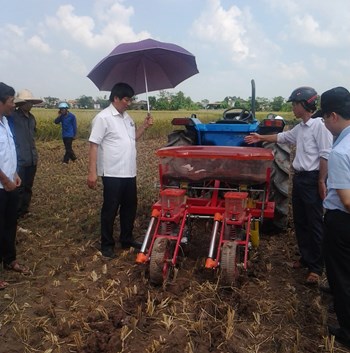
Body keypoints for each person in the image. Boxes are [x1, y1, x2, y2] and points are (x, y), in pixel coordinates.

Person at [245, 86, 333, 284]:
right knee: (301, 221)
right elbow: (282, 137)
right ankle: (305, 258)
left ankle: (316, 268)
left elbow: (326, 154)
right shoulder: (301, 127)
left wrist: (321, 180)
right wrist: (260, 137)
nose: (293, 108)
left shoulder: (319, 126)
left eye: (295, 104)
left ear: (304, 105)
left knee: (314, 222)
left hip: (312, 179)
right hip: (300, 178)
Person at [87, 82, 153, 259]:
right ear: (115, 98)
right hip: (112, 172)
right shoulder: (103, 118)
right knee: (110, 209)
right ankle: (106, 244)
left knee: (129, 207)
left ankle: (126, 238)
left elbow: (132, 139)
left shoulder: (127, 118)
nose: (128, 103)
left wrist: (145, 126)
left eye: (130, 99)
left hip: (129, 172)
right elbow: (93, 146)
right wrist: (92, 172)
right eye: (126, 99)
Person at [321, 87, 350, 348]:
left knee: (341, 277)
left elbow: (347, 200)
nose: (324, 123)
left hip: (342, 222)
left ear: (333, 116)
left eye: (324, 118)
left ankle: (347, 332)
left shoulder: (340, 152)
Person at [0, 82, 30, 291]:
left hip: (10, 185)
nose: (13, 105)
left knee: (10, 224)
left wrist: (15, 174)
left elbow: (7, 154)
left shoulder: (5, 122)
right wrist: (5, 179)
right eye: (11, 101)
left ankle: (10, 260)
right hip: (2, 187)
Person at [8, 89, 42, 218]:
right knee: (19, 188)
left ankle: (24, 211)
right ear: (21, 103)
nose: (31, 105)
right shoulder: (12, 117)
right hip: (19, 159)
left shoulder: (32, 118)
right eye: (28, 102)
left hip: (32, 158)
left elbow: (33, 136)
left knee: (28, 186)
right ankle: (16, 214)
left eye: (32, 102)